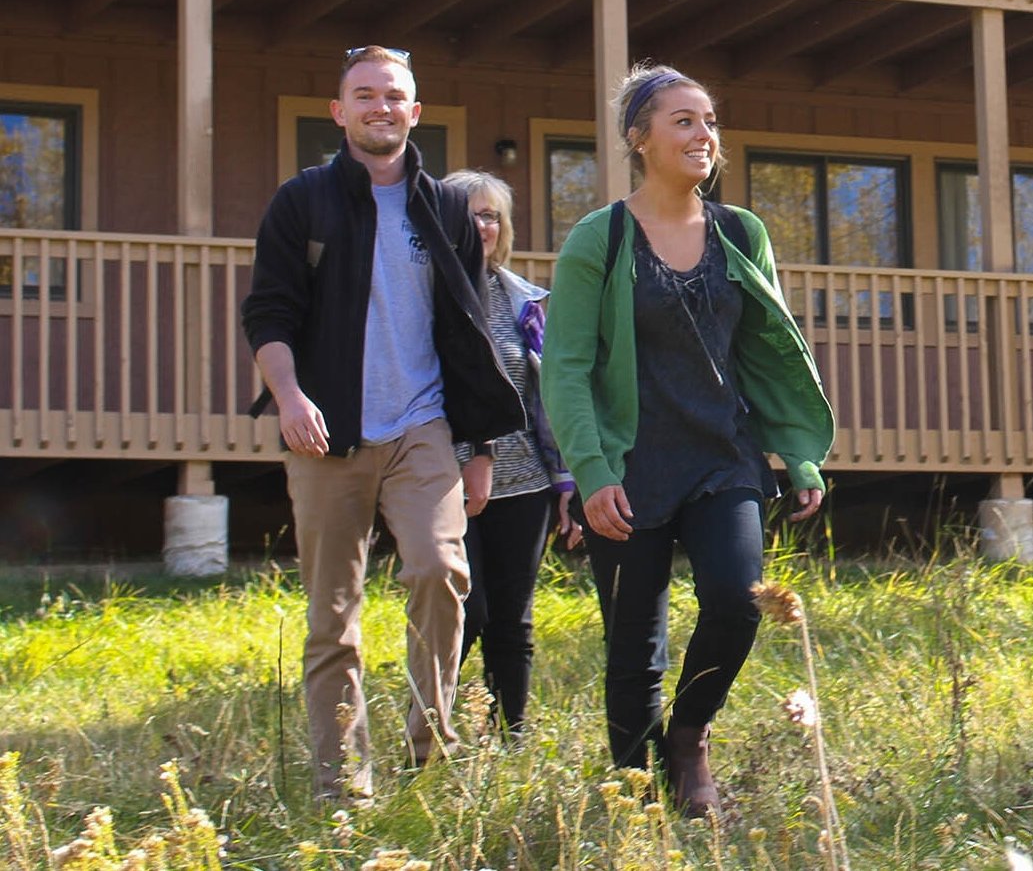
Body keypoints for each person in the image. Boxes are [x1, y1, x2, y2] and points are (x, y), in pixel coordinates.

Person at [540, 62, 834, 818]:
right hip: (630, 464)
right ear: (639, 139)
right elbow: (565, 369)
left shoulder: (741, 233)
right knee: (634, 640)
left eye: (708, 121)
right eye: (682, 121)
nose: (702, 134)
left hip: (722, 455)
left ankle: (690, 739)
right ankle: (637, 798)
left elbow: (766, 352)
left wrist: (795, 450)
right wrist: (592, 471)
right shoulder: (598, 240)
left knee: (737, 599)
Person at [241, 46, 524, 802]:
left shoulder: (446, 215)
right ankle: (344, 787)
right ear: (339, 112)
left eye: (393, 95)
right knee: (334, 614)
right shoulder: (302, 202)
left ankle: (430, 752)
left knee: (439, 572)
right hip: (327, 433)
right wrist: (291, 398)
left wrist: (480, 447)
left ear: (414, 111)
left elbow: (466, 336)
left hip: (422, 427)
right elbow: (267, 311)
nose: (380, 107)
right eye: (364, 95)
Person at [442, 169, 582, 740]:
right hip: (441, 481)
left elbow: (548, 399)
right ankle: (432, 732)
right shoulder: (425, 295)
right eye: (469, 214)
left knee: (511, 621)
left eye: (491, 215)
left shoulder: (527, 302)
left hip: (524, 485)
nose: (482, 225)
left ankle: (510, 739)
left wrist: (568, 483)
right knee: (461, 613)